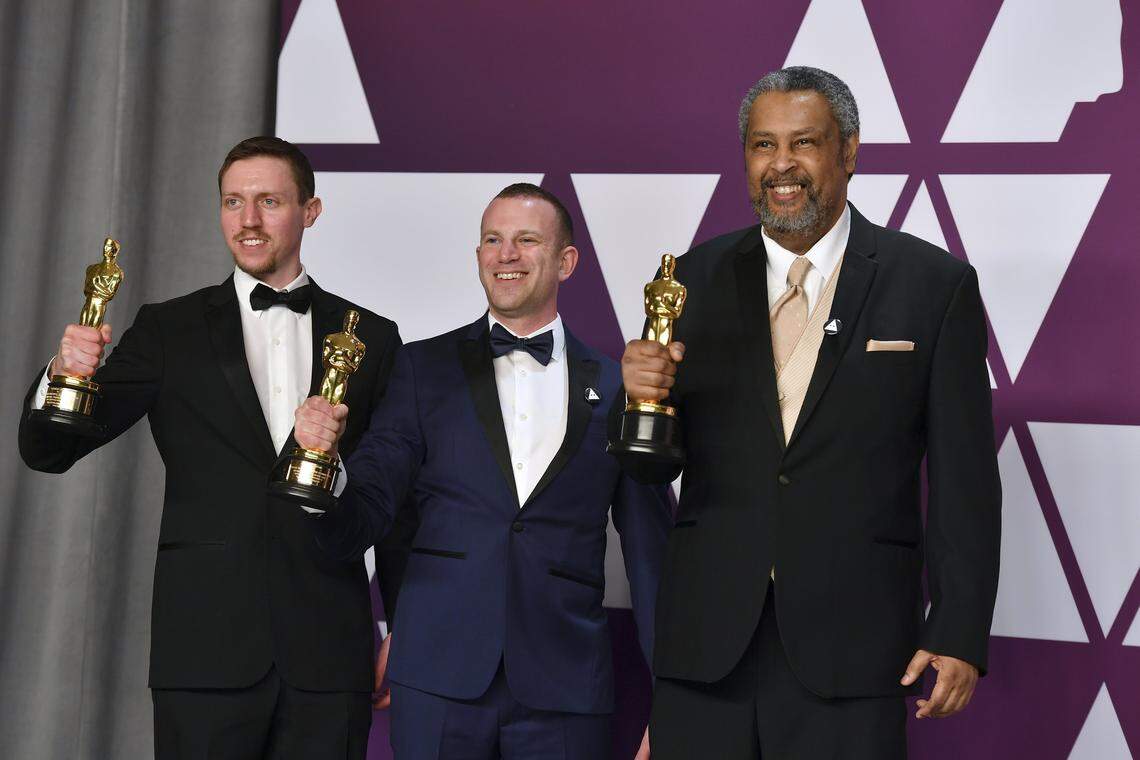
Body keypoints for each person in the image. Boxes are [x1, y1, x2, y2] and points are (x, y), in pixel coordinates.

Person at [615, 66, 1001, 759]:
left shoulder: (932, 285)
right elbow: (653, 467)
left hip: (855, 648)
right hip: (706, 647)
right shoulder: (690, 281)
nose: (781, 166)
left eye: (804, 143)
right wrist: (640, 398)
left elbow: (966, 479)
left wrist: (959, 628)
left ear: (848, 152)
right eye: (763, 146)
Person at [18, 136, 410, 759]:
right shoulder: (167, 330)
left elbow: (392, 498)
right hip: (203, 654)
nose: (247, 221)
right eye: (233, 202)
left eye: (269, 201)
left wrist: (403, 624)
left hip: (328, 654)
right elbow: (50, 451)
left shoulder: (374, 339)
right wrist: (65, 377)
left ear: (310, 211)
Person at [296, 183, 671, 759]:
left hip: (566, 684)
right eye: (493, 240)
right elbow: (368, 507)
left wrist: (672, 701)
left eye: (526, 240)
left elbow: (651, 558)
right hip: (438, 677)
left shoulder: (619, 386)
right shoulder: (421, 369)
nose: (506, 255)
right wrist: (322, 468)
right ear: (477, 257)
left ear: (566, 262)